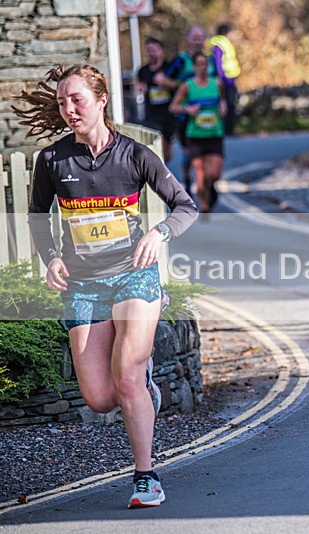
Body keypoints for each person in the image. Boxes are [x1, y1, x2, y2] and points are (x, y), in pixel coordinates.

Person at [14, 64, 198, 507]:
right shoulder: (53, 161)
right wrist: (51, 257)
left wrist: (159, 233)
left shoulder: (135, 155)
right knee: (99, 398)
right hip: (83, 284)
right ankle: (146, 387)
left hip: (134, 275)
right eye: (62, 103)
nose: (69, 109)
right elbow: (38, 218)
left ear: (101, 100)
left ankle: (146, 478)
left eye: (77, 100)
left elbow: (185, 206)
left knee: (127, 376)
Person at [169, 52, 227, 214]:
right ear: (194, 67)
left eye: (205, 64)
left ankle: (211, 186)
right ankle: (204, 207)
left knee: (214, 174)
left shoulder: (217, 83)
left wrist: (223, 106)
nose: (202, 67)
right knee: (200, 173)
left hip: (214, 134)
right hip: (195, 135)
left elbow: (223, 100)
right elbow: (173, 107)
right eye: (199, 64)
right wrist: (188, 109)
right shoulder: (187, 85)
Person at [163, 25, 208, 191]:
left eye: (200, 38)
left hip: (208, 114)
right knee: (189, 151)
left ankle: (206, 183)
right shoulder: (181, 61)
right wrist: (182, 86)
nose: (198, 41)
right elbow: (163, 79)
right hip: (186, 115)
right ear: (188, 39)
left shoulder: (209, 61)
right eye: (195, 38)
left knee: (206, 152)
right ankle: (188, 177)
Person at [136, 37, 176, 163]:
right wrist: (139, 88)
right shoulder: (143, 70)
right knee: (155, 143)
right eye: (149, 50)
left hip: (168, 113)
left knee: (167, 149)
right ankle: (159, 167)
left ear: (161, 51)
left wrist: (165, 82)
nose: (152, 53)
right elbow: (138, 85)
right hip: (152, 113)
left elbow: (178, 85)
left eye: (154, 50)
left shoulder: (169, 68)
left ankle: (165, 164)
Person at [207, 23, 241, 136]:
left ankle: (229, 129)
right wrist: (221, 78)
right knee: (227, 105)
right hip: (225, 80)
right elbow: (219, 63)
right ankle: (226, 130)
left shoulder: (225, 43)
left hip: (230, 80)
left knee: (231, 104)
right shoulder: (220, 44)